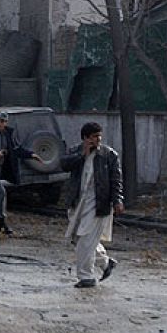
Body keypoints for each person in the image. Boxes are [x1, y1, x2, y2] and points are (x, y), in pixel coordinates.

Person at [61, 122, 124, 288]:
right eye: (94, 136)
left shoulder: (109, 155)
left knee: (86, 239)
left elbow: (116, 180)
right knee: (78, 237)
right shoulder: (76, 151)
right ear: (85, 138)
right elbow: (63, 165)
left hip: (98, 204)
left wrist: (117, 200)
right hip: (78, 201)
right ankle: (105, 263)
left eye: (99, 136)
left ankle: (86, 276)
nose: (98, 139)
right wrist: (82, 154)